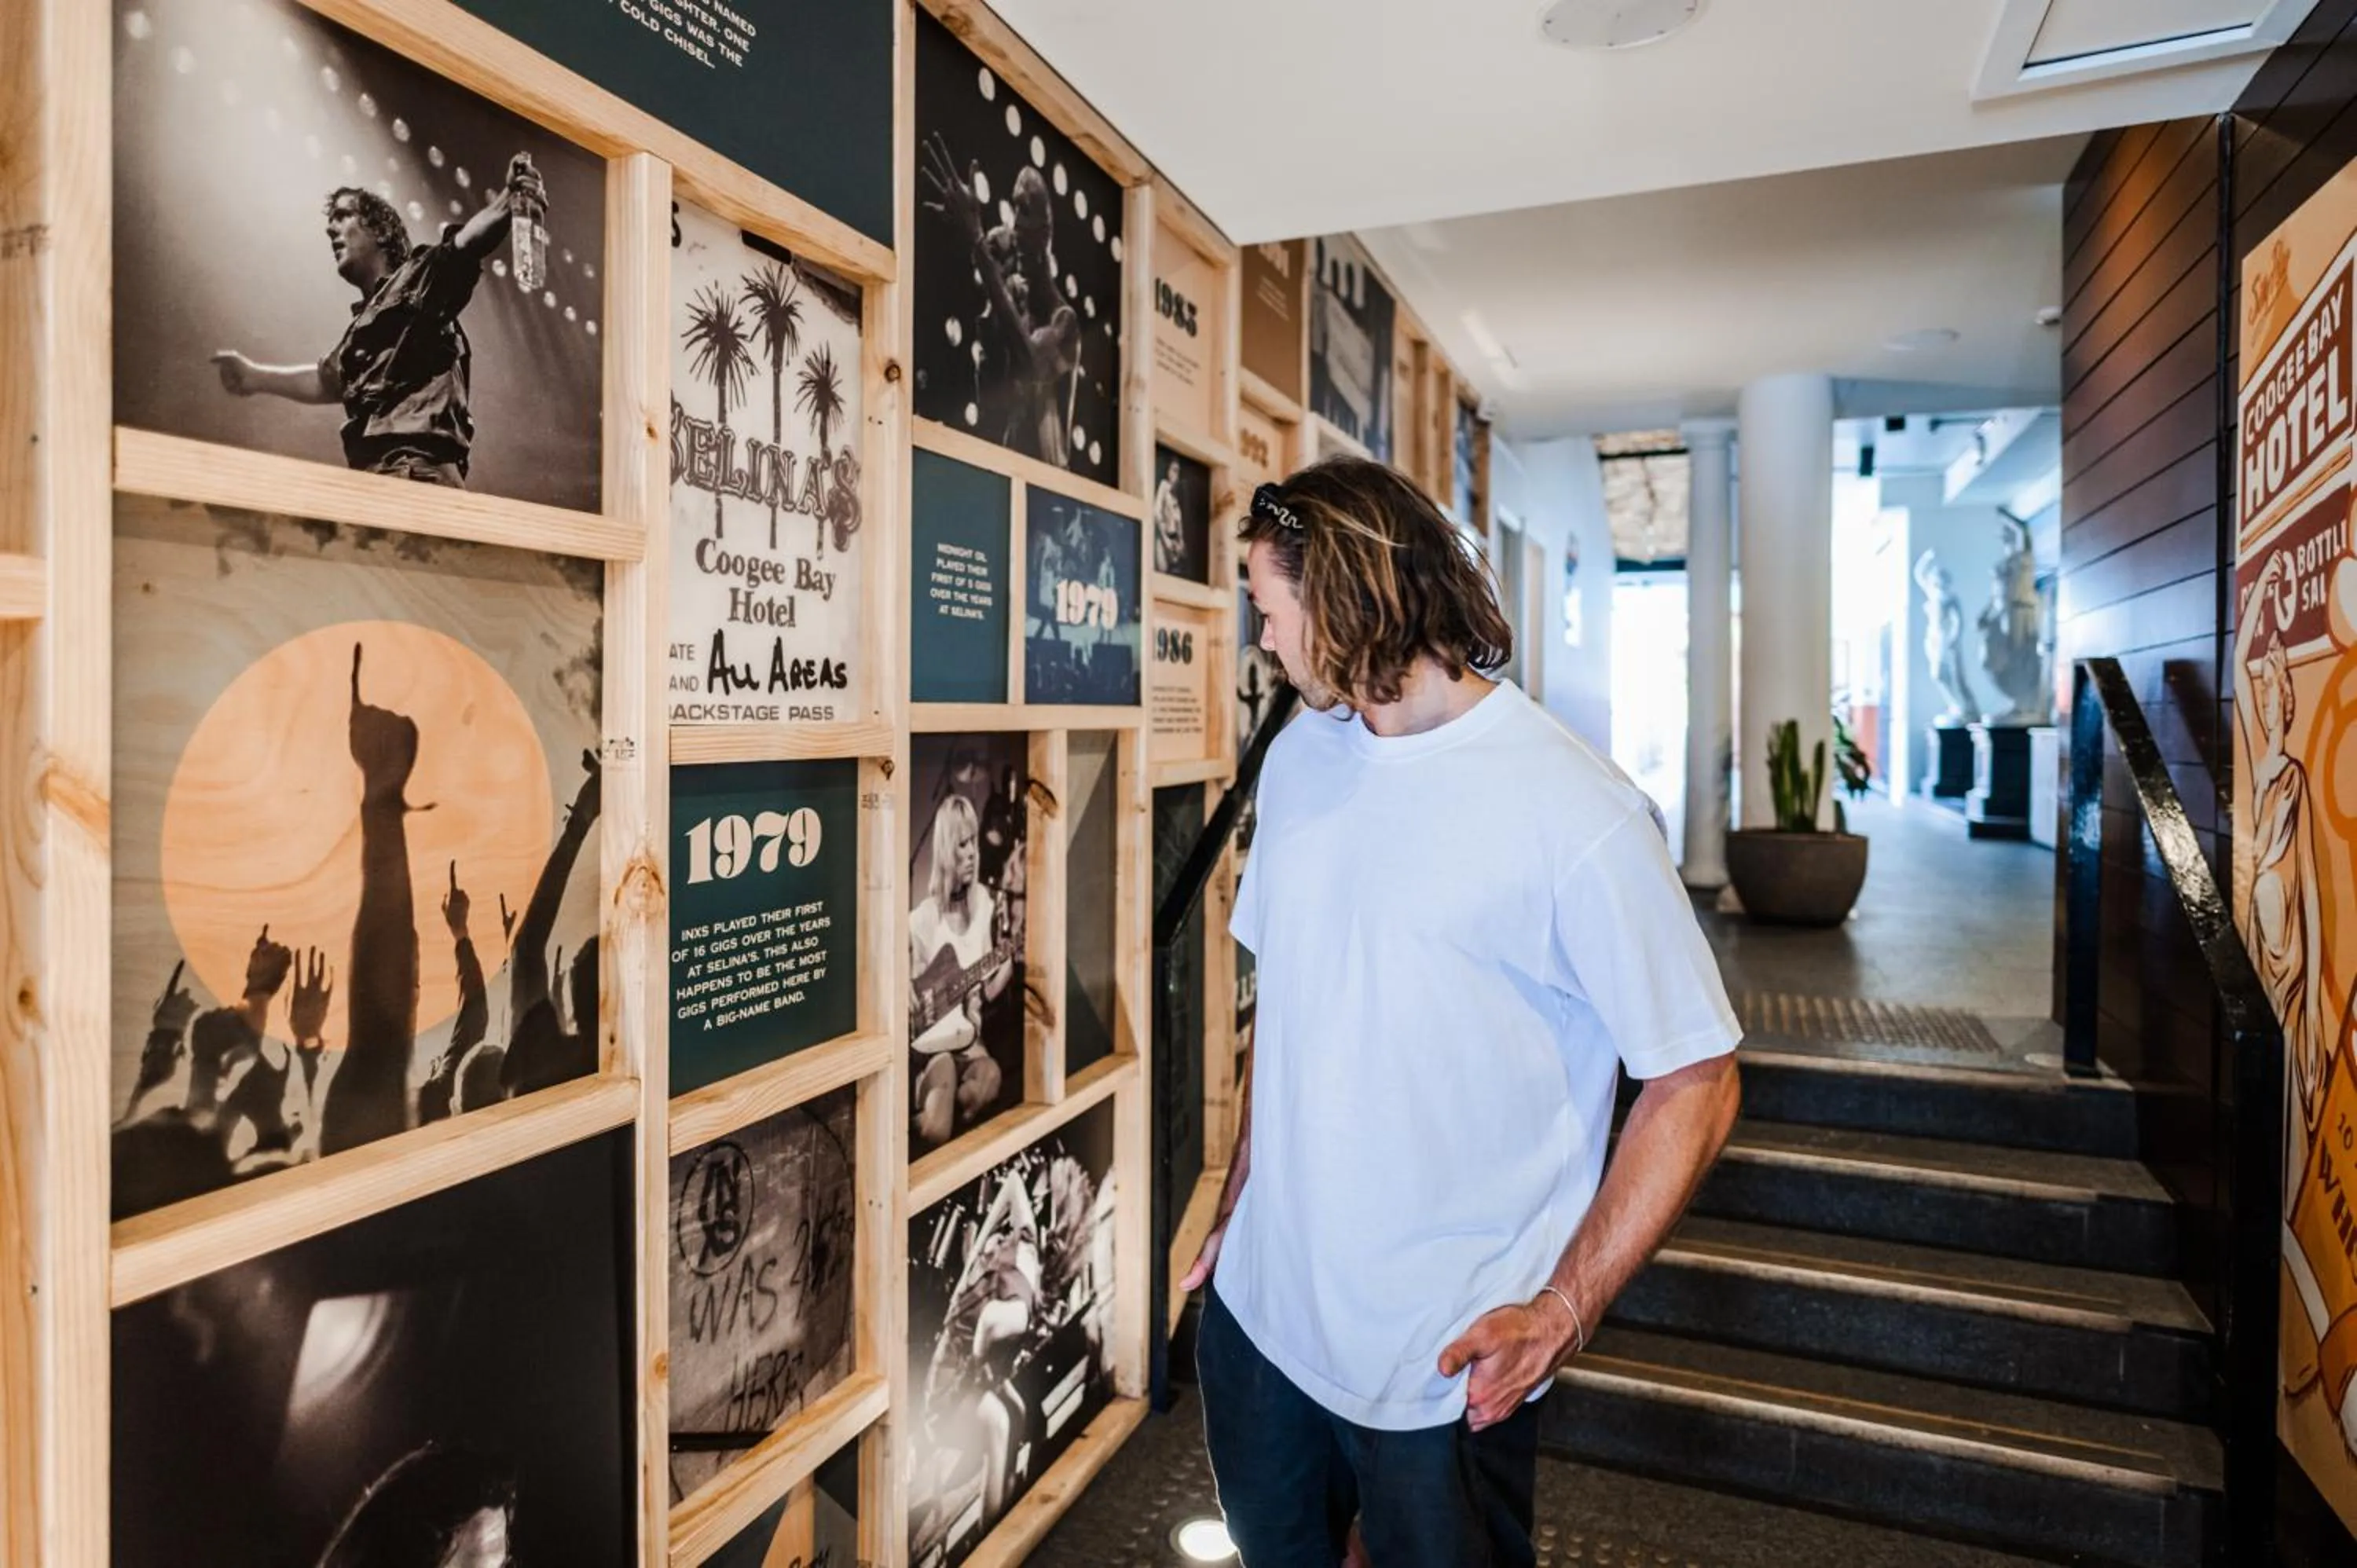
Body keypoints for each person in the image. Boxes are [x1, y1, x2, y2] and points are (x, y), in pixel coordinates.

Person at [1183, 458, 1743, 1567]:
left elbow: (1697, 1079)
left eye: (1268, 607)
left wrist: (1565, 1309)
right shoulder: (1300, 757)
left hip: (1439, 1365)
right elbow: (1291, 1001)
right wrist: (1245, 1185)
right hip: (1262, 1321)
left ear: (1339, 597)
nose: (1265, 641)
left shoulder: (1575, 810)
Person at [210, 154, 548, 487]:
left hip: (416, 476)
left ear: (381, 230)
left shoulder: (419, 277)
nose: (331, 229)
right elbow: (327, 381)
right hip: (379, 479)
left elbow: (464, 246)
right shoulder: (360, 329)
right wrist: (255, 377)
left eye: (343, 216)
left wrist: (511, 199)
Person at [910, 793, 1014, 1150]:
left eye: (974, 842)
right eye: (962, 844)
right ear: (944, 850)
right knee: (935, 1130)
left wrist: (1005, 968)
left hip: (970, 1041)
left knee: (990, 1078)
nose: (972, 852)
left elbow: (983, 993)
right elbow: (910, 990)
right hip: (932, 1047)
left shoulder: (984, 904)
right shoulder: (922, 918)